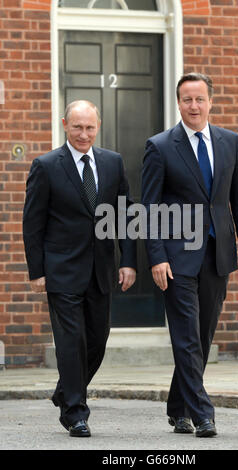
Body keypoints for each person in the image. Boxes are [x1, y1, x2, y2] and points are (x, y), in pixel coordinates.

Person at [142, 73, 238, 438]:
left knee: (202, 336)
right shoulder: (160, 146)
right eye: (187, 100)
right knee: (187, 336)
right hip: (177, 259)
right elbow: (150, 207)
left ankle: (177, 407)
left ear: (211, 101)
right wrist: (157, 256)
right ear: (178, 103)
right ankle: (202, 413)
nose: (194, 106)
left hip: (218, 254)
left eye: (200, 99)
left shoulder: (229, 142)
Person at [23, 100, 137, 437]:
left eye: (89, 127)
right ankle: (75, 412)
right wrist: (37, 270)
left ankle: (64, 390)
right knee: (70, 341)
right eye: (77, 127)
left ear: (98, 126)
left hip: (101, 270)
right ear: (64, 125)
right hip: (62, 270)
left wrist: (128, 260)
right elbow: (33, 223)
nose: (83, 134)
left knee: (97, 341)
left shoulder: (113, 163)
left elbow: (127, 215)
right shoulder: (45, 166)